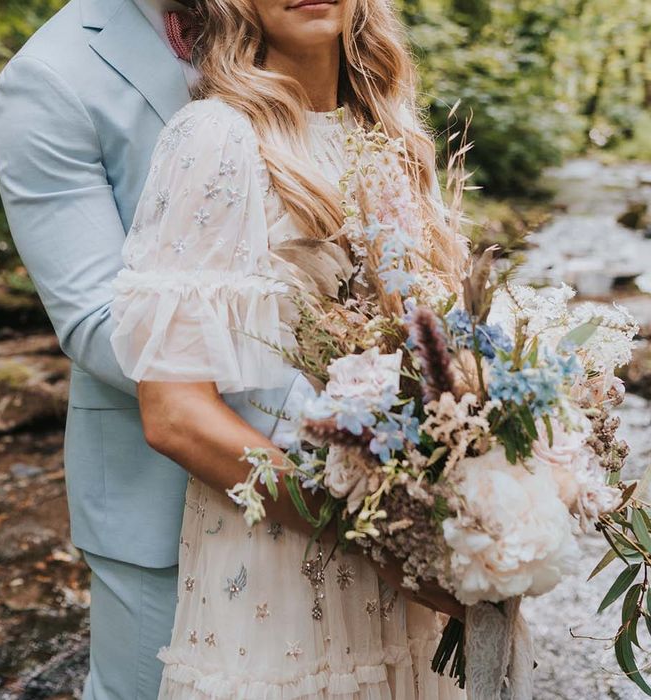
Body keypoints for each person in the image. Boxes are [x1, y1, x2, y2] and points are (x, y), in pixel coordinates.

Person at [109, 0, 468, 697]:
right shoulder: (214, 138)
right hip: (285, 553)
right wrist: (370, 537)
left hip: (413, 566)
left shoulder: (393, 134)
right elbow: (175, 415)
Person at [0, 1, 211, 697]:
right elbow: (95, 320)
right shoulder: (49, 75)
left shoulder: (304, 20)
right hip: (160, 492)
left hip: (354, 467)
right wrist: (303, 402)